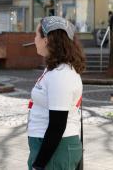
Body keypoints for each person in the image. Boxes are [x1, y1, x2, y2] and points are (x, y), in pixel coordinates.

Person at [28, 16, 86, 170]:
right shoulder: (54, 69)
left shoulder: (61, 75)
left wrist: (39, 165)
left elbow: (58, 124)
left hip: (56, 150)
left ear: (46, 40)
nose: (34, 40)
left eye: (36, 35)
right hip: (49, 148)